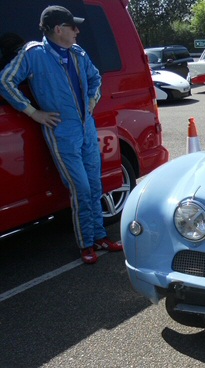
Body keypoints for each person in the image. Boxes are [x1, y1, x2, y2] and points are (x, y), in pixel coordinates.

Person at [0, 5, 122, 263]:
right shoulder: (34, 55)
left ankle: (100, 236)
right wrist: (34, 113)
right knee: (80, 188)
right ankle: (86, 244)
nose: (77, 31)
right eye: (72, 27)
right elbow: (5, 81)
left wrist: (91, 102)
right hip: (62, 133)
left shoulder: (77, 52)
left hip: (86, 128)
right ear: (58, 29)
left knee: (95, 185)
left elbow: (95, 78)